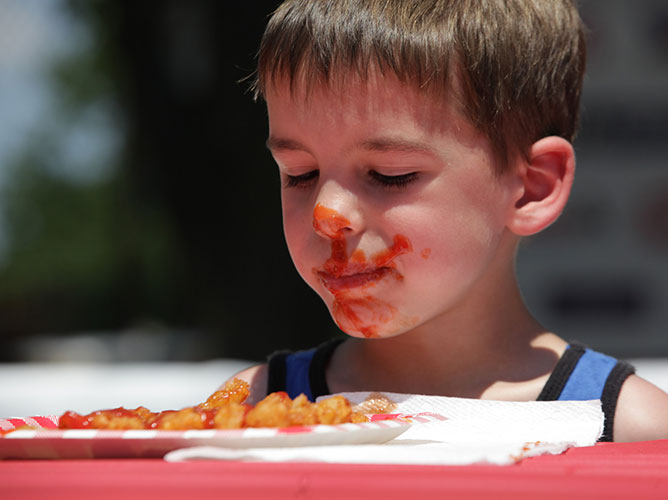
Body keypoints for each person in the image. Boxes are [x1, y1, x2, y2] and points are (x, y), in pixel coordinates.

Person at [231, 0, 668, 442]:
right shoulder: (253, 408)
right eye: (300, 174)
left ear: (532, 188)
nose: (329, 216)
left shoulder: (631, 427)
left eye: (390, 175)